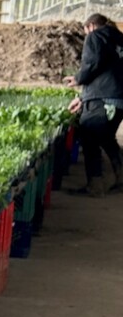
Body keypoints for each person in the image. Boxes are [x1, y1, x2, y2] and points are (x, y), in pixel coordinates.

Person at [64, 13, 123, 197]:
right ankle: (121, 177)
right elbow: (105, 73)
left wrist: (78, 78)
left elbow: (93, 63)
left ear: (90, 26)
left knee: (88, 134)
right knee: (106, 137)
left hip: (103, 100)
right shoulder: (119, 39)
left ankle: (95, 185)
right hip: (118, 100)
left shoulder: (95, 36)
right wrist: (83, 98)